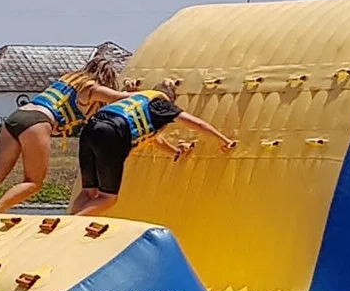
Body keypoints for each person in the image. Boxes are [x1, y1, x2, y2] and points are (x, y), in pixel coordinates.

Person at [0, 53, 135, 214]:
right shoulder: (92, 88)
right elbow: (120, 98)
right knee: (33, 182)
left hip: (17, 115)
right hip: (38, 122)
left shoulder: (68, 79)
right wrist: (140, 91)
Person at [69, 80, 237, 216]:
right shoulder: (162, 105)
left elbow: (154, 139)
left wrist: (175, 152)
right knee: (108, 198)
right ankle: (72, 227)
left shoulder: (137, 101)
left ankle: (63, 225)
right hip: (112, 134)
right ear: (170, 98)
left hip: (90, 130)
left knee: (88, 192)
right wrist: (223, 140)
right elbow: (198, 124)